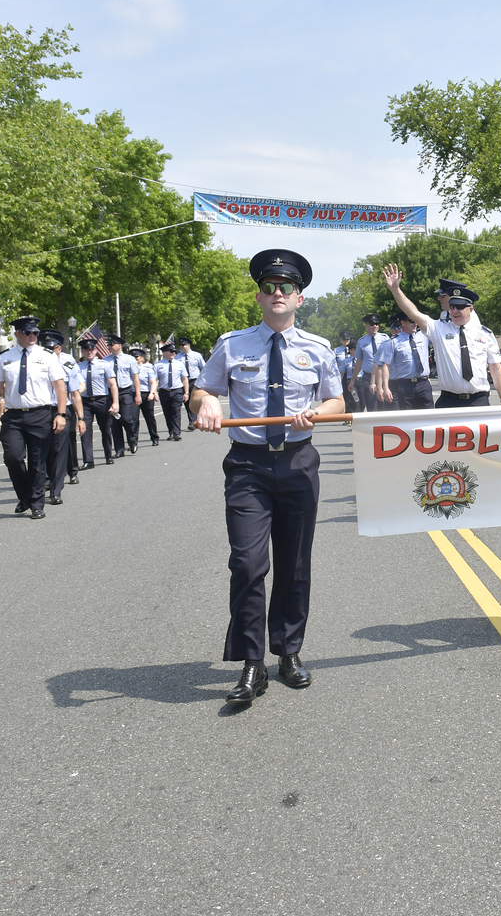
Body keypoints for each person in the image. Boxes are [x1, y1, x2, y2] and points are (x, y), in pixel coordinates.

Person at [190, 249, 345, 705]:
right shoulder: (232, 344)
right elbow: (202, 391)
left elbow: (336, 402)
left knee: (295, 564)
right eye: (270, 287)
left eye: (287, 288)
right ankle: (252, 662)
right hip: (248, 466)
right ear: (259, 296)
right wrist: (205, 404)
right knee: (247, 563)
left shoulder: (317, 349)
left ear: (300, 298)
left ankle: (288, 651)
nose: (277, 294)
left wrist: (317, 413)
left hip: (298, 461)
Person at [383, 268, 501, 408]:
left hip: (478, 401)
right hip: (449, 401)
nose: (454, 311)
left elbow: (496, 368)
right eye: (452, 306)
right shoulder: (438, 328)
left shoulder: (485, 334)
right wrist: (395, 290)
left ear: (471, 309)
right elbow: (413, 313)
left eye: (460, 307)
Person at [0, 316, 68, 519]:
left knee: (37, 462)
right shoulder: (5, 357)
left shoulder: (47, 356)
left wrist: (60, 414)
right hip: (13, 416)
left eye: (35, 333)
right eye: (28, 332)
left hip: (40, 414)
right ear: (17, 334)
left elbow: (59, 385)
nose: (32, 336)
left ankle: (36, 503)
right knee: (13, 457)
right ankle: (24, 495)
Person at [38, 329, 84, 501]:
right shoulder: (37, 362)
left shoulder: (67, 364)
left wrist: (81, 418)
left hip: (63, 410)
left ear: (58, 349)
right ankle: (47, 480)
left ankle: (56, 491)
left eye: (52, 349)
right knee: (44, 449)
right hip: (42, 410)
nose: (49, 352)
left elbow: (75, 392)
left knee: (59, 450)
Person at [373, 310, 433, 411]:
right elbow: (386, 366)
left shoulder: (424, 336)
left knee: (429, 416)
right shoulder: (393, 342)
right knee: (408, 418)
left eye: (416, 321)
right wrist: (385, 387)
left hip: (423, 384)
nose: (415, 324)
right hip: (405, 385)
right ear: (403, 323)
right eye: (411, 321)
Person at [78, 338, 118, 467]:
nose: (89, 352)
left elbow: (112, 384)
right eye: (86, 350)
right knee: (85, 430)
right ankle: (88, 460)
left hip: (102, 400)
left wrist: (115, 402)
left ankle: (108, 455)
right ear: (83, 351)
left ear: (96, 350)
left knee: (105, 428)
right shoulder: (78, 367)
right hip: (85, 402)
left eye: (91, 350)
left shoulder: (104, 365)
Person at [106, 335, 141, 455]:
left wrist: (138, 394)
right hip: (111, 393)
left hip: (125, 391)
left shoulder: (129, 359)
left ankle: (132, 439)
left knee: (126, 418)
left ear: (119, 346)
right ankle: (119, 449)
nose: (109, 347)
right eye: (109, 345)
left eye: (112, 345)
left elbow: (135, 377)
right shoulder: (106, 360)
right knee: (114, 422)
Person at [351, 314, 390, 412]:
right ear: (366, 325)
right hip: (368, 378)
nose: (375, 326)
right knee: (372, 407)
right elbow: (359, 362)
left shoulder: (385, 338)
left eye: (377, 323)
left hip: (384, 377)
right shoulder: (362, 341)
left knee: (386, 406)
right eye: (372, 324)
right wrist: (352, 380)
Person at [155, 341, 189, 440]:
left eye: (174, 351)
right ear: (164, 352)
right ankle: (171, 432)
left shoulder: (179, 364)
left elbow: (184, 379)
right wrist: (154, 392)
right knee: (167, 413)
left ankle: (176, 432)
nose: (173, 353)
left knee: (176, 412)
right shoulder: (158, 365)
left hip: (177, 391)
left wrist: (186, 392)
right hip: (164, 391)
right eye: (171, 351)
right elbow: (155, 380)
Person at [132, 346, 162, 447]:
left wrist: (152, 393)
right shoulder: (129, 369)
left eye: (137, 357)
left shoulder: (147, 368)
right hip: (134, 394)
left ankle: (154, 437)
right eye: (133, 357)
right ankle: (134, 441)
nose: (135, 359)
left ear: (141, 357)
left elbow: (153, 382)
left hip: (146, 394)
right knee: (134, 418)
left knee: (149, 417)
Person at [177, 337, 205, 431]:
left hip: (194, 380)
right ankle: (191, 421)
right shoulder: (177, 357)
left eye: (183, 345)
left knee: (194, 400)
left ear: (188, 345)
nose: (181, 347)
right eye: (180, 345)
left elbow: (203, 368)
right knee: (186, 401)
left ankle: (192, 422)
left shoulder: (196, 355)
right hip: (183, 382)